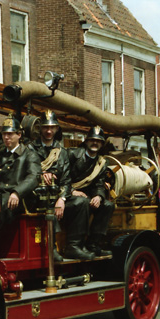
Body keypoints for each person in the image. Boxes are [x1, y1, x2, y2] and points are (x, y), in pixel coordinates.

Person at [28, 110, 94, 260]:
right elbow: (27, 172)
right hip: (37, 195)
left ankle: (74, 246)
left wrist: (62, 199)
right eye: (45, 127)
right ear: (40, 129)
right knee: (47, 203)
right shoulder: (30, 148)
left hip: (57, 195)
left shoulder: (61, 151)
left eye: (52, 127)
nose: (49, 131)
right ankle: (50, 248)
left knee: (81, 202)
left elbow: (65, 179)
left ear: (57, 128)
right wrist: (40, 175)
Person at [0, 116, 41, 254]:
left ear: (19, 134)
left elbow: (33, 177)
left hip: (20, 198)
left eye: (10, 134)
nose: (6, 137)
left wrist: (17, 192)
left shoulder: (29, 155)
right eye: (5, 134)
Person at [68, 126, 115, 256]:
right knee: (82, 202)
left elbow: (99, 184)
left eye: (98, 141)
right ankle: (74, 245)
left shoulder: (101, 163)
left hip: (85, 198)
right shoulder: (72, 154)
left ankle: (93, 244)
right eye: (92, 140)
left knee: (107, 205)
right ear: (86, 141)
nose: (95, 143)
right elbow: (63, 177)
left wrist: (99, 197)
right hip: (66, 197)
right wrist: (71, 191)